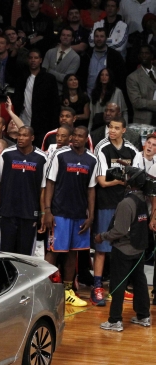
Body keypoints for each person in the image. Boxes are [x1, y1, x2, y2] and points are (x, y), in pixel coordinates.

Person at [43, 125, 97, 307]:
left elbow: (91, 189)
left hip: (80, 214)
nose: (76, 138)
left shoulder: (92, 160)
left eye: (80, 136)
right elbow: (49, 183)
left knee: (72, 253)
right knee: (53, 252)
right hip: (59, 212)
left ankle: (67, 290)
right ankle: (45, 287)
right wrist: (48, 211)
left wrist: (90, 215)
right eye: (74, 135)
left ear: (86, 139)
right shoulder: (60, 155)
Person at [92, 116, 143, 305]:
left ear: (124, 130)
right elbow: (103, 182)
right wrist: (124, 179)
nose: (111, 131)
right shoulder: (102, 148)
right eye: (110, 127)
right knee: (102, 247)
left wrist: (123, 179)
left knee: (121, 247)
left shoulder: (132, 149)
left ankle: (117, 286)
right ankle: (97, 287)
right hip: (106, 202)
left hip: (127, 203)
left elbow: (137, 177)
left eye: (116, 128)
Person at [95, 167, 151, 331]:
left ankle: (115, 321)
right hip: (139, 250)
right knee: (140, 283)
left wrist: (102, 236)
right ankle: (143, 316)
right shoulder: (143, 199)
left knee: (117, 284)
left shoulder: (126, 203)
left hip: (124, 250)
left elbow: (119, 231)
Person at [0, 126, 48, 255]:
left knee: (25, 255)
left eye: (25, 135)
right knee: (5, 252)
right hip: (8, 211)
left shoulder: (41, 158)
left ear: (32, 138)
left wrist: (43, 214)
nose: (20, 138)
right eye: (19, 135)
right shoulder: (7, 154)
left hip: (29, 212)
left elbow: (43, 189)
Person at [14, 49, 60, 146]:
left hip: (43, 124)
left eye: (36, 58)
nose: (33, 60)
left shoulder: (49, 78)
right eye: (31, 58)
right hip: (23, 118)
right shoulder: (21, 77)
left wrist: (53, 126)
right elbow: (17, 98)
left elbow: (54, 103)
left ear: (41, 60)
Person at [42, 27, 81, 95]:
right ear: (60, 37)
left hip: (61, 93)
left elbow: (66, 79)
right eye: (63, 35)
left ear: (72, 39)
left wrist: (49, 70)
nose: (65, 37)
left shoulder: (75, 57)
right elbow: (43, 72)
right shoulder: (50, 52)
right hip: (45, 90)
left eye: (68, 35)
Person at [126, 45, 156, 126]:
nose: (144, 55)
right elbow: (136, 102)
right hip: (145, 121)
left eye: (147, 53)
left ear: (152, 55)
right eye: (142, 53)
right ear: (139, 56)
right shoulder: (132, 77)